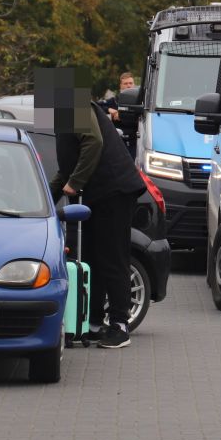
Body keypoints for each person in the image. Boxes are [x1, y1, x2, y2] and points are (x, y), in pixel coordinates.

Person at [55, 88, 145, 349]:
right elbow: (65, 168)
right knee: (91, 258)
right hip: (98, 195)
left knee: (112, 256)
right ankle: (93, 323)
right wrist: (47, 199)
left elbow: (94, 142)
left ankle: (120, 325)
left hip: (113, 191)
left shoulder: (72, 104)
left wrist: (75, 182)